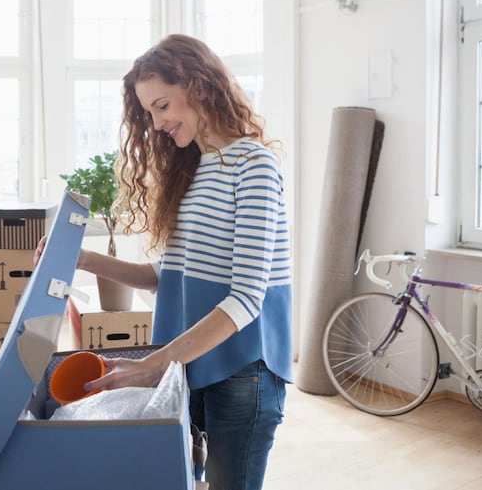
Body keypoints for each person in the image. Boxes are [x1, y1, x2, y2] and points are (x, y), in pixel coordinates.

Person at [36, 33, 291, 490]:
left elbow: (247, 298)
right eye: (149, 112)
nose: (155, 124)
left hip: (243, 369)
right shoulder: (193, 169)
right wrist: (85, 259)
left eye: (162, 106)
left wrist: (156, 365)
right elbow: (165, 277)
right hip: (191, 360)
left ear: (197, 86)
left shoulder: (254, 166)